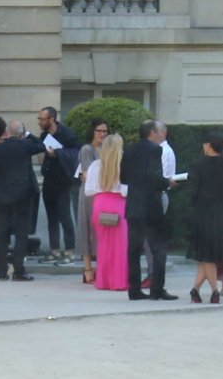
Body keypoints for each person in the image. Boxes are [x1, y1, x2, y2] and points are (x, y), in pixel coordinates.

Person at [0, 115, 46, 281]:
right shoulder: (25, 145)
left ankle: (2, 271)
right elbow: (41, 145)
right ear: (20, 134)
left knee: (0, 234)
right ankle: (19, 270)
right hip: (22, 197)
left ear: (6, 132)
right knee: (21, 234)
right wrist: (28, 134)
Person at [122, 120, 180, 300]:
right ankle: (157, 289)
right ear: (152, 133)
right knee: (158, 248)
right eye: (160, 131)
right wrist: (167, 182)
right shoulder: (155, 150)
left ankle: (134, 289)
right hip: (150, 205)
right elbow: (153, 176)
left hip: (133, 204)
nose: (163, 135)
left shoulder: (130, 149)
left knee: (133, 249)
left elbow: (123, 177)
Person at [186, 132, 223, 303]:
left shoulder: (198, 165)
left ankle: (214, 291)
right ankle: (195, 290)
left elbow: (193, 192)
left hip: (204, 213)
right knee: (212, 255)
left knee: (206, 255)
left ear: (208, 145)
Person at [82, 132, 130, 290]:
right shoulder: (124, 165)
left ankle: (103, 281)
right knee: (120, 246)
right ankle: (119, 281)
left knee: (103, 245)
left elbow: (88, 190)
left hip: (100, 203)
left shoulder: (95, 165)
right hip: (118, 204)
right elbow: (126, 190)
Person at [35, 106, 80, 264]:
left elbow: (75, 153)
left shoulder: (67, 134)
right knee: (52, 217)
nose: (39, 122)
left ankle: (70, 251)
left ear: (51, 119)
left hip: (63, 181)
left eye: (42, 119)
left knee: (64, 216)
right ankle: (54, 250)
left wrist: (57, 153)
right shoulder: (44, 135)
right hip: (49, 179)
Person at [74, 118, 110, 282]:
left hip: (105, 193)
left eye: (105, 131)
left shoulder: (108, 150)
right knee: (87, 229)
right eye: (99, 131)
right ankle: (87, 268)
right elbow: (88, 174)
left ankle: (101, 267)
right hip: (90, 194)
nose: (102, 134)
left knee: (102, 231)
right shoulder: (87, 149)